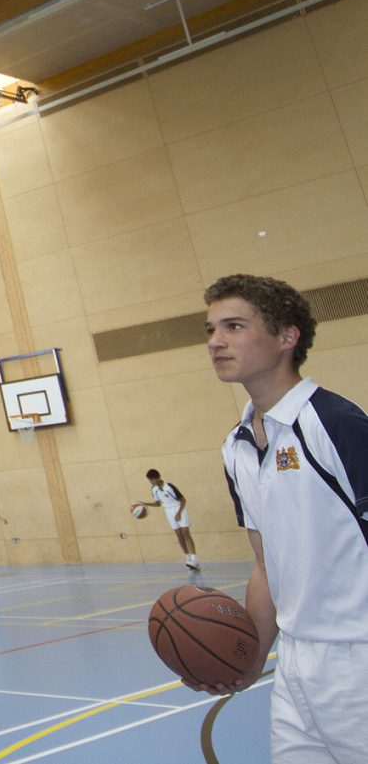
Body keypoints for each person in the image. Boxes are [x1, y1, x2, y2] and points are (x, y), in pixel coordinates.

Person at [202, 274, 368, 762]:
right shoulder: (236, 448)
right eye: (210, 329)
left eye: (233, 326)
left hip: (357, 657)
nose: (215, 342)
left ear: (286, 337)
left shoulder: (337, 425)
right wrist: (249, 661)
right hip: (294, 665)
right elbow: (264, 564)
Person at [139, 469, 199, 570]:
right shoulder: (154, 489)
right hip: (168, 510)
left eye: (152, 480)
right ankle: (188, 558)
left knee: (186, 533)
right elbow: (158, 504)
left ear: (157, 478)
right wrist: (145, 503)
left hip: (179, 507)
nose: (151, 482)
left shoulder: (169, 486)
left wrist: (179, 513)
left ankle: (194, 559)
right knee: (179, 536)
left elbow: (183, 500)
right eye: (149, 480)